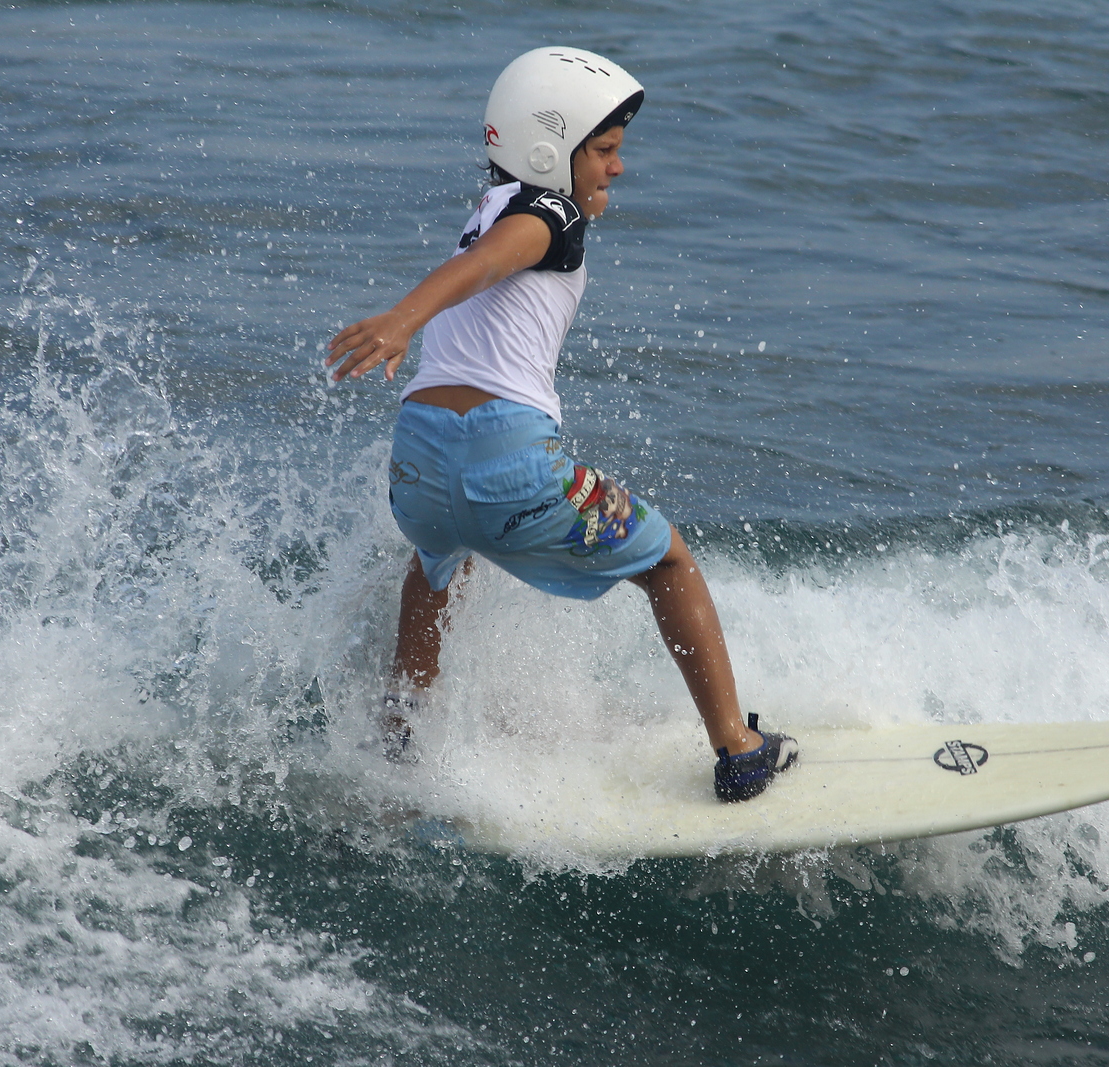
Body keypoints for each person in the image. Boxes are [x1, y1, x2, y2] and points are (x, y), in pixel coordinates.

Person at [326, 47, 797, 802]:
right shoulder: (551, 211)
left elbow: (484, 261)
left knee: (434, 569)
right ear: (550, 152)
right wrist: (404, 318)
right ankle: (739, 750)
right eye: (605, 150)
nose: (617, 168)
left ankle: (396, 753)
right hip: (508, 460)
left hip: (415, 463)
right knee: (669, 561)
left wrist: (410, 320)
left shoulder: (480, 211)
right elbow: (503, 257)